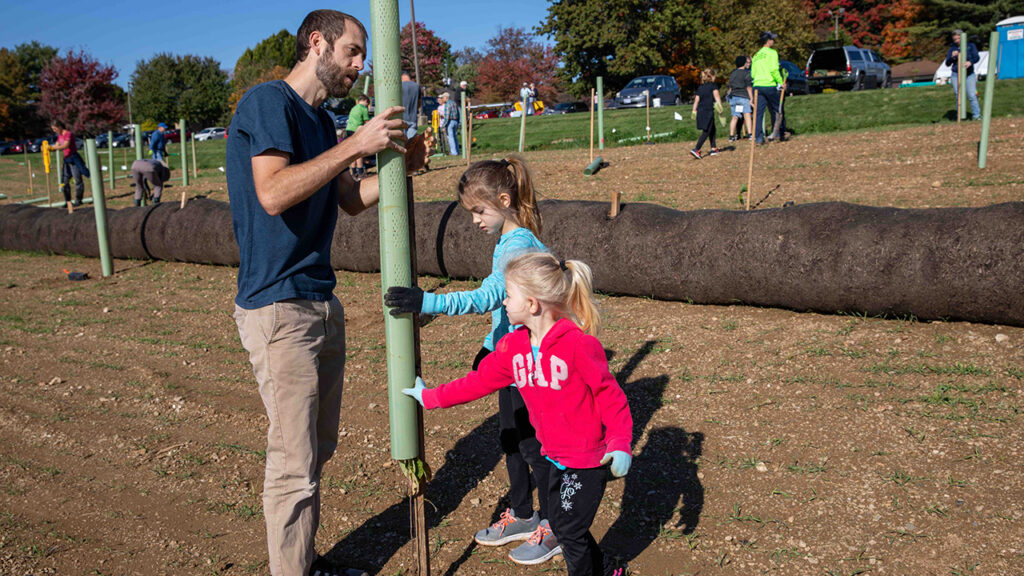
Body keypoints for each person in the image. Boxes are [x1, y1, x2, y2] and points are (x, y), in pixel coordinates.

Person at [225, 9, 425, 576]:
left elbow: (346, 199)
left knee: (316, 448)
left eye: (363, 56)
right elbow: (273, 193)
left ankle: (305, 562)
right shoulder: (268, 103)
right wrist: (356, 141)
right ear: (318, 43)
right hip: (277, 304)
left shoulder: (318, 123)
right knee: (294, 461)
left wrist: (398, 170)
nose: (361, 67)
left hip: (319, 299)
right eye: (353, 53)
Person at [402, 251, 633, 576]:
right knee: (569, 527)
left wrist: (620, 442)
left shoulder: (579, 346)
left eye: (509, 296)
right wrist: (431, 397)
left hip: (586, 461)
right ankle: (609, 571)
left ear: (533, 304)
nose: (504, 303)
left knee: (567, 530)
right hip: (555, 458)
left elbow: (611, 397)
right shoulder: (513, 349)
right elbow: (477, 382)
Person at [384, 157, 552, 563]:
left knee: (534, 447)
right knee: (510, 440)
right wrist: (490, 346)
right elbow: (503, 308)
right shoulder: (507, 240)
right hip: (509, 359)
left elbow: (491, 295)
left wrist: (431, 301)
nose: (475, 220)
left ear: (504, 199)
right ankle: (524, 515)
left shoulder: (520, 243)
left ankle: (554, 524)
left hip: (529, 365)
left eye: (479, 211)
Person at [751, 31, 786, 144]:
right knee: (777, 109)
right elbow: (774, 70)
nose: (774, 41)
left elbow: (752, 73)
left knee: (758, 113)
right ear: (768, 41)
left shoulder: (756, 55)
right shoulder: (772, 53)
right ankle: (780, 133)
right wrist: (781, 82)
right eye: (772, 39)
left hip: (757, 86)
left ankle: (759, 138)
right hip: (769, 84)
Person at [49, 121, 89, 207]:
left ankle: (78, 200)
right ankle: (68, 202)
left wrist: (52, 147)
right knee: (64, 182)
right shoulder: (59, 136)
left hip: (74, 159)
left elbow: (65, 146)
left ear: (59, 126)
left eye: (55, 129)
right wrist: (47, 148)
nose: (54, 131)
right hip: (66, 159)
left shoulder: (68, 134)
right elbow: (56, 146)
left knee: (77, 180)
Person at [946, 29, 982, 120]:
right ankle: (960, 115)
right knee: (958, 95)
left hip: (969, 74)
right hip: (956, 74)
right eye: (955, 39)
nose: (957, 41)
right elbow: (947, 63)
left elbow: (977, 57)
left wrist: (970, 62)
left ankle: (976, 115)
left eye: (958, 38)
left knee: (972, 95)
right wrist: (952, 57)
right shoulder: (952, 48)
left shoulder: (970, 46)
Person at [690, 68, 724, 159]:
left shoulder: (701, 87)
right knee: (707, 130)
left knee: (712, 128)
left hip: (701, 110)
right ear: (712, 76)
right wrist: (720, 108)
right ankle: (696, 149)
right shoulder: (713, 86)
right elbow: (717, 97)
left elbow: (696, 100)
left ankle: (713, 148)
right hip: (708, 110)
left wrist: (694, 111)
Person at [727, 55, 754, 142]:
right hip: (744, 97)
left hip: (734, 98)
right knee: (747, 115)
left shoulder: (732, 74)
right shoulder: (746, 73)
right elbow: (749, 87)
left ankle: (731, 135)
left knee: (735, 117)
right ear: (744, 63)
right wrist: (751, 98)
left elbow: (730, 87)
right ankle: (750, 134)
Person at [345, 94, 371, 179]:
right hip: (357, 130)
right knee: (359, 152)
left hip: (349, 130)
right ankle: (360, 172)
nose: (368, 105)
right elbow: (367, 122)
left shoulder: (354, 108)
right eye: (368, 103)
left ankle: (354, 172)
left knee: (353, 151)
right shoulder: (363, 108)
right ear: (366, 101)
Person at [401, 70, 420, 140]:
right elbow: (419, 103)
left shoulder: (399, 86)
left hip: (402, 118)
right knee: (412, 144)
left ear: (402, 77)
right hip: (413, 119)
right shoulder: (417, 86)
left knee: (402, 143)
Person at [439, 91, 460, 156]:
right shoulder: (454, 103)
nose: (442, 99)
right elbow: (458, 112)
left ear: (446, 97)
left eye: (443, 98)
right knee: (455, 137)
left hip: (450, 121)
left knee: (450, 137)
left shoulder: (447, 104)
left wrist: (443, 125)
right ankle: (457, 151)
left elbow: (447, 115)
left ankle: (454, 152)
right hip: (456, 121)